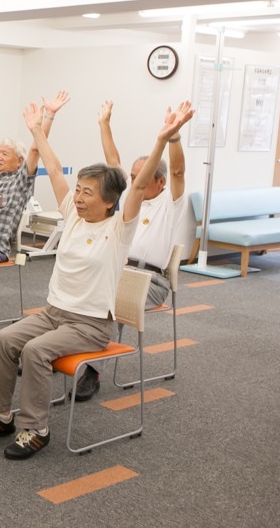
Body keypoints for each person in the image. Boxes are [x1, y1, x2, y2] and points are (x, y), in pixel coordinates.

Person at [0, 100, 194, 460]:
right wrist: (38, 130)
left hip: (89, 324)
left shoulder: (119, 229)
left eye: (88, 192)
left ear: (109, 201)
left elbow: (137, 187)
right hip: (53, 313)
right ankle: (0, 414)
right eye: (79, 189)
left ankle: (35, 428)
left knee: (35, 352)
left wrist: (163, 140)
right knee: (3, 340)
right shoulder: (72, 213)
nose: (79, 196)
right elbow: (54, 169)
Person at [73, 100, 189, 400]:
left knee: (103, 299)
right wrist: (104, 124)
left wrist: (173, 136)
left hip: (151, 282)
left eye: (141, 176)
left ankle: (92, 371)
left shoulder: (170, 202)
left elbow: (177, 170)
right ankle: (55, 348)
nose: (134, 180)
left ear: (160, 182)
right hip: (119, 269)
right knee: (77, 287)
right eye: (134, 175)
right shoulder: (130, 199)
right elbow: (113, 160)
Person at [0, 92, 70, 273]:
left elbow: (35, 150)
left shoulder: (20, 182)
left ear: (19, 161)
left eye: (5, 154)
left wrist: (49, 116)